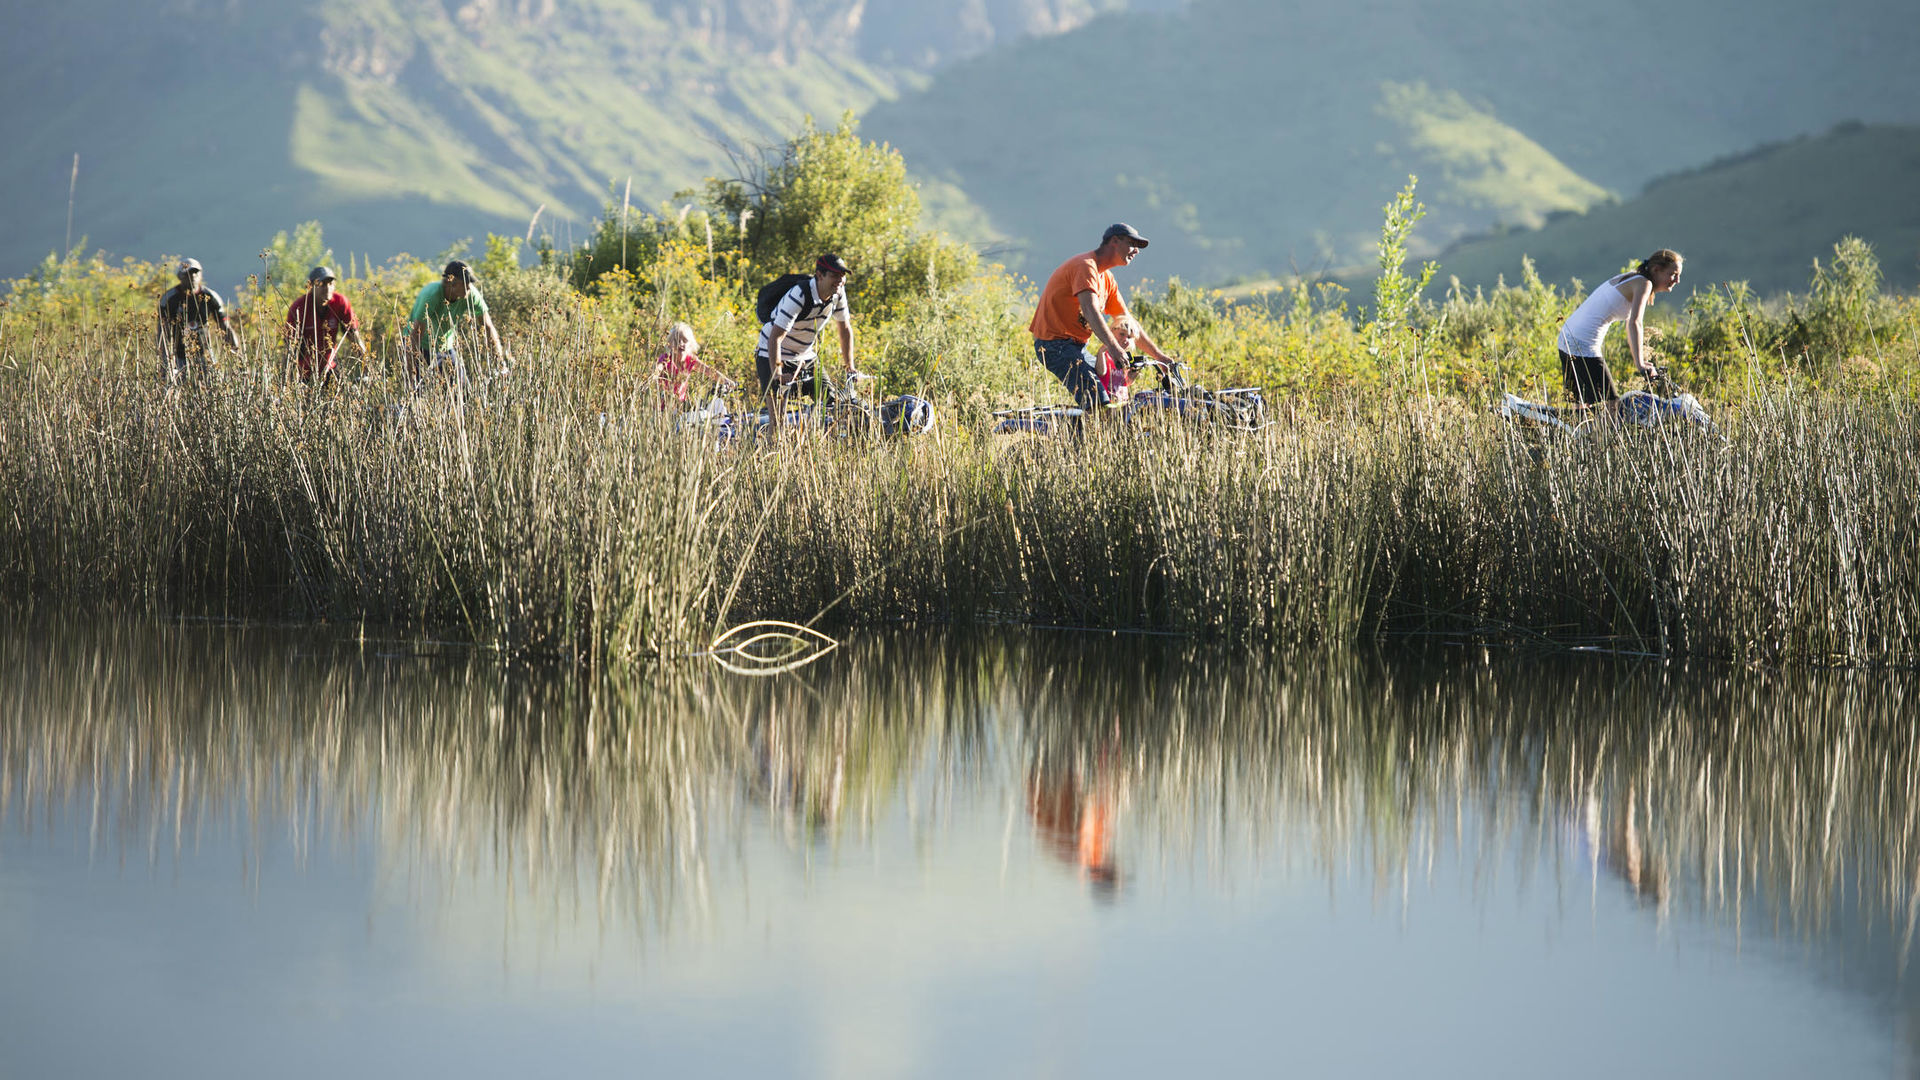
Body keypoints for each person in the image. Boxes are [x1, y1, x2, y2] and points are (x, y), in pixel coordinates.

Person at [1029, 223, 1176, 415]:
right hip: (1053, 345)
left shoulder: (1107, 279)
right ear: (1115, 241)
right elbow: (1090, 310)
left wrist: (1160, 358)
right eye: (1132, 244)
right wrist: (1114, 348)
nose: (1136, 251)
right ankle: (1086, 442)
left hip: (1076, 347)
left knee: (1112, 390)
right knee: (1099, 401)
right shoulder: (1085, 266)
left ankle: (1084, 434)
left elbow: (1128, 322)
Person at [1556, 249, 1684, 408]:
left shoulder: (1633, 278)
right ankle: (1598, 432)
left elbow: (1630, 324)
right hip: (1582, 344)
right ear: (1656, 270)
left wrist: (1641, 360)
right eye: (1673, 274)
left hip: (1567, 337)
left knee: (1582, 405)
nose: (1677, 280)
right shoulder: (1644, 284)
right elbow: (1635, 323)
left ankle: (1583, 432)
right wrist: (1640, 365)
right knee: (1612, 405)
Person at [758, 254, 856, 428]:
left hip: (805, 356)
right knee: (777, 422)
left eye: (843, 276)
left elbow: (845, 329)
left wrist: (850, 366)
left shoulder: (838, 294)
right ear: (820, 275)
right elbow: (775, 336)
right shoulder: (800, 295)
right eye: (834, 276)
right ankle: (771, 449)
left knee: (834, 405)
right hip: (773, 353)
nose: (840, 281)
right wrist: (777, 372)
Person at [406, 259, 511, 389]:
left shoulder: (469, 294)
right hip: (420, 347)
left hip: (445, 348)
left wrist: (500, 364)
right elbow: (415, 335)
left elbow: (488, 327)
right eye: (465, 283)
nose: (469, 287)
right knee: (419, 394)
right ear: (452, 283)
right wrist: (411, 376)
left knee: (462, 392)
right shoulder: (431, 295)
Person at [157, 258, 240, 381]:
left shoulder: (210, 296)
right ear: (180, 276)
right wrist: (164, 362)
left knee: (213, 386)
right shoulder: (169, 299)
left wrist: (237, 355)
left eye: (196, 272)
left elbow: (225, 327)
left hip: (205, 355)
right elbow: (162, 333)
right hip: (178, 357)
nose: (193, 276)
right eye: (188, 273)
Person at [282, 266, 367, 385]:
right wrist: (286, 383)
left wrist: (367, 367)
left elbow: (354, 337)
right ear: (311, 287)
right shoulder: (299, 308)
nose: (327, 288)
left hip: (330, 366)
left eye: (330, 283)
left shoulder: (340, 303)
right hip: (304, 372)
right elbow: (289, 348)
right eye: (321, 284)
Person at [655, 322, 733, 406]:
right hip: (663, 409)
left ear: (691, 344)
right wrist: (654, 375)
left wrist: (726, 381)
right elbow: (656, 371)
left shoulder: (691, 360)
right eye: (677, 340)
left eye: (685, 340)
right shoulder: (666, 359)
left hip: (680, 407)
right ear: (670, 344)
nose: (681, 344)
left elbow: (709, 371)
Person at [1095, 313, 1145, 407]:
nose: (1125, 339)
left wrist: (1133, 374)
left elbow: (1125, 382)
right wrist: (1102, 351)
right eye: (1122, 334)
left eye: (1129, 337)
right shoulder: (1105, 354)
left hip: (1122, 402)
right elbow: (1101, 372)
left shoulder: (1125, 357)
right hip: (1108, 403)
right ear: (1111, 332)